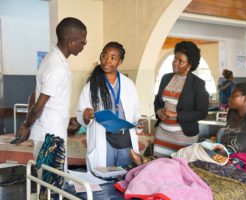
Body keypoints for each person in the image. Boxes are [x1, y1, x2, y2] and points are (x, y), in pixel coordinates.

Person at [15, 17, 87, 167]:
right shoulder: (57, 67)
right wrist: (26, 125)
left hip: (51, 132)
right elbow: (39, 105)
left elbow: (40, 98)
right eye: (83, 41)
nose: (84, 46)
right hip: (50, 138)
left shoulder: (52, 59)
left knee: (50, 186)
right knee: (52, 188)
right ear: (70, 43)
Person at [77, 42, 142, 170]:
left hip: (125, 140)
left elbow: (135, 111)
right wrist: (85, 115)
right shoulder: (90, 87)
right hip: (104, 140)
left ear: (120, 62)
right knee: (104, 179)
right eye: (104, 56)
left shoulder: (128, 84)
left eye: (113, 58)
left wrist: (138, 122)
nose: (107, 60)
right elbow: (81, 114)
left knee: (125, 176)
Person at [153, 41, 209, 157]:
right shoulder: (165, 78)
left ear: (189, 65)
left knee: (179, 171)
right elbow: (157, 101)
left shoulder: (197, 84)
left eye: (181, 61)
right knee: (158, 169)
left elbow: (202, 113)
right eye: (175, 59)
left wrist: (176, 115)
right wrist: (159, 111)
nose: (175, 63)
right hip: (162, 134)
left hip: (183, 137)